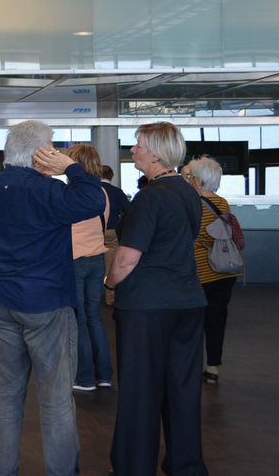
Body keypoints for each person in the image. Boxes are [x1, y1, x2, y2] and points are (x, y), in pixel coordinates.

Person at [0, 121, 104, 476]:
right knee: (55, 399)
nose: (59, 152)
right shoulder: (46, 191)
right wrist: (72, 168)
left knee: (6, 394)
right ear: (41, 154)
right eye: (53, 147)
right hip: (45, 303)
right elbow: (94, 200)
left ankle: (1, 470)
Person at [105, 122, 208, 476]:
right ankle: (186, 465)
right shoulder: (189, 192)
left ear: (156, 153)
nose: (132, 150)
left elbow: (127, 258)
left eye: (137, 145)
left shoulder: (150, 197)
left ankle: (133, 466)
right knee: (182, 387)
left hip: (147, 305)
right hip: (188, 301)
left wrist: (109, 282)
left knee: (139, 388)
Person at [182, 156, 242, 385]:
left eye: (188, 176)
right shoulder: (222, 202)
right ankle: (213, 367)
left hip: (201, 272)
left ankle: (191, 365)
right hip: (224, 272)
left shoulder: (193, 205)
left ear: (197, 180)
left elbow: (189, 237)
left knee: (193, 321)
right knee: (217, 320)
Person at [64, 145, 113, 393]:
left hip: (74, 259)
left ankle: (83, 377)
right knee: (94, 317)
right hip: (97, 258)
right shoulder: (102, 192)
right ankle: (104, 374)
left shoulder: (73, 192)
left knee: (79, 319)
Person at [100, 165, 131, 306]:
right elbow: (128, 211)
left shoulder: (93, 189)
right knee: (110, 262)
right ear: (111, 176)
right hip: (112, 230)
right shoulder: (117, 192)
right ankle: (109, 296)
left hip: (93, 231)